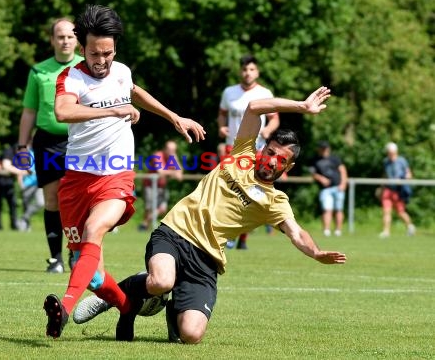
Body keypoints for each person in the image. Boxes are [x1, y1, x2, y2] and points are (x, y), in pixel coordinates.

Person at [75, 87, 347, 343]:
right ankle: (112, 295)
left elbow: (296, 232)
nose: (272, 160)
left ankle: (173, 310)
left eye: (281, 160)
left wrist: (316, 253)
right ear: (263, 149)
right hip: (175, 232)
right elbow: (254, 107)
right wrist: (301, 106)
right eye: (271, 152)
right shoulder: (242, 153)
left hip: (206, 259)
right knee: (161, 281)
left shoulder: (275, 201)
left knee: (192, 335)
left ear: (289, 166)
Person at [42, 4, 205, 340]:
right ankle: (126, 307)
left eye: (108, 53)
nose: (101, 61)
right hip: (76, 180)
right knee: (92, 274)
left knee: (95, 228)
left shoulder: (121, 71)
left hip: (114, 176)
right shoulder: (70, 77)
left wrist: (174, 117)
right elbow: (62, 110)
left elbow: (134, 91)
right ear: (82, 48)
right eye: (94, 54)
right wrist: (112, 110)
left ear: (115, 48)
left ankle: (66, 308)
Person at [18, 18, 83, 273]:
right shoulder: (38, 71)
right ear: (52, 40)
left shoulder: (87, 67)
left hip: (81, 139)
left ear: (76, 39)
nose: (65, 41)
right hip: (47, 142)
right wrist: (22, 147)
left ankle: (77, 253)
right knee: (52, 199)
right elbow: (29, 112)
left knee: (78, 199)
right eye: (60, 36)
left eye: (69, 36)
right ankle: (55, 257)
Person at [217, 54, 280, 250]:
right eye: (245, 69)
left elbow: (274, 118)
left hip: (257, 149)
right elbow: (222, 115)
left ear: (257, 72)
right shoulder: (229, 92)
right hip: (232, 147)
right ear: (240, 71)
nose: (248, 73)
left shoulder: (265, 93)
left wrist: (269, 130)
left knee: (250, 192)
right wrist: (221, 127)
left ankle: (242, 237)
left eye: (251, 69)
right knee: (230, 191)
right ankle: (230, 235)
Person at [139, 140, 183, 231]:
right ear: (165, 149)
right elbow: (160, 171)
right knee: (149, 207)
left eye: (174, 150)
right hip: (150, 185)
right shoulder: (158, 155)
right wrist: (173, 172)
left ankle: (144, 224)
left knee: (162, 209)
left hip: (161, 186)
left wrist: (176, 159)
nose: (172, 152)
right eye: (170, 150)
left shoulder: (172, 158)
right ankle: (145, 226)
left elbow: (180, 175)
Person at [309, 141, 348, 237]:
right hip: (325, 189)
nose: (324, 150)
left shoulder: (335, 158)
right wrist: (321, 178)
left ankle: (338, 230)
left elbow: (343, 170)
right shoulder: (314, 160)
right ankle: (326, 230)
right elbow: (313, 173)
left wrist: (343, 184)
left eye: (325, 148)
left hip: (338, 187)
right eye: (322, 148)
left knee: (339, 209)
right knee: (327, 209)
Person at [379, 142, 415, 238]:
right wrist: (381, 187)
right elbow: (385, 175)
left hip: (398, 190)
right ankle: (386, 231)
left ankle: (410, 226)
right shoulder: (386, 161)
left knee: (400, 212)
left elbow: (408, 173)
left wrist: (406, 178)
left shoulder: (402, 161)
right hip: (388, 189)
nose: (390, 154)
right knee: (386, 211)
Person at [0, 144, 20, 231]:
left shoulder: (17, 154)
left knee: (12, 204)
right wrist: (20, 171)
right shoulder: (8, 152)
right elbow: (6, 166)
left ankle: (14, 225)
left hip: (9, 182)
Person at [17, 149, 45, 232]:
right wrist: (21, 183)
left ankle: (23, 218)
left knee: (40, 203)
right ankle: (26, 226)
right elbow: (21, 170)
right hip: (27, 184)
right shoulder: (28, 154)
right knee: (26, 206)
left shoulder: (45, 153)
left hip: (39, 184)